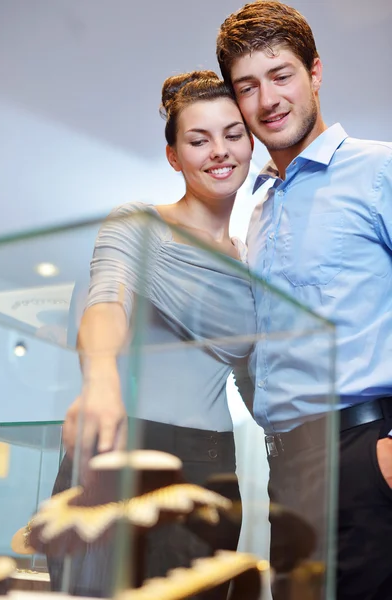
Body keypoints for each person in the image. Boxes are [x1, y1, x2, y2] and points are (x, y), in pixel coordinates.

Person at [50, 70, 255, 597]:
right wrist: (99, 381)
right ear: (173, 155)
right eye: (198, 139)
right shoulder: (139, 224)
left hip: (214, 463)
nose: (219, 151)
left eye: (233, 134)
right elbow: (107, 300)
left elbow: (262, 380)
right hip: (120, 445)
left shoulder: (258, 262)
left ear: (251, 140)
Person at [216, 2, 392, 599]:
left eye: (281, 75)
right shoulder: (257, 209)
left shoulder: (380, 169)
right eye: (248, 86)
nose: (267, 99)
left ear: (315, 73)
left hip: (366, 455)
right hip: (284, 471)